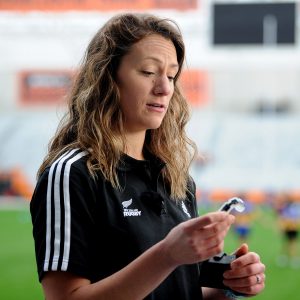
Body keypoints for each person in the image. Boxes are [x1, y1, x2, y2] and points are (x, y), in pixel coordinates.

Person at [30, 13, 265, 300]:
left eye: (170, 75)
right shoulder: (72, 173)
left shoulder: (177, 179)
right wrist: (167, 254)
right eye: (148, 72)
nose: (165, 88)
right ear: (108, 77)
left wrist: (228, 286)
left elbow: (180, 290)